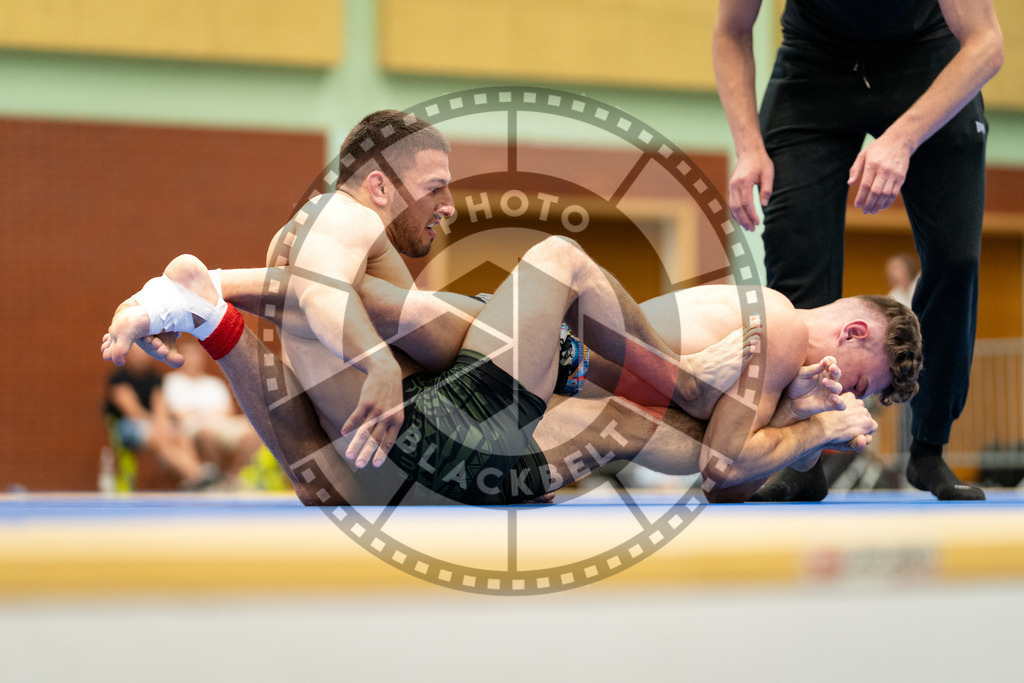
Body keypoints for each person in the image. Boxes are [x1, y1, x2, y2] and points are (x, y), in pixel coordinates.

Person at [101, 110, 917, 503]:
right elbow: (723, 464)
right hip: (489, 401)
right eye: (861, 381)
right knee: (553, 267)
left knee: (336, 436)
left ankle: (203, 308)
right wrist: (808, 427)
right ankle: (203, 296)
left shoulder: (324, 243)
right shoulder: (778, 325)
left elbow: (726, 475)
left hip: (423, 435)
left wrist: (804, 425)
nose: (448, 205)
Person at [713, 0, 1003, 500]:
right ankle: (801, 458)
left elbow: (987, 44)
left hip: (928, 58)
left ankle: (929, 448)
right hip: (815, 63)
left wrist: (902, 140)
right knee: (796, 258)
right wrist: (748, 147)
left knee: (956, 260)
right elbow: (731, 30)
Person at [105, 346, 219, 490]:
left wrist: (163, 425)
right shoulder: (119, 377)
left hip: (151, 423)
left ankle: (192, 476)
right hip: (127, 426)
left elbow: (160, 405)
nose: (141, 357)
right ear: (129, 355)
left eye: (143, 353)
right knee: (158, 436)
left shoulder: (154, 377)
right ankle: (196, 474)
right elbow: (132, 410)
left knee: (179, 433)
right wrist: (156, 425)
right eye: (137, 354)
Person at [162, 338, 264, 486]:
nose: (193, 360)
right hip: (190, 427)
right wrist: (202, 416)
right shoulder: (172, 381)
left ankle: (232, 476)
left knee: (258, 429)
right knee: (207, 433)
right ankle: (213, 479)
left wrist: (211, 417)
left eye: (196, 356)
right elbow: (174, 412)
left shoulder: (215, 383)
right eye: (189, 355)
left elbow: (228, 412)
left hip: (220, 423)